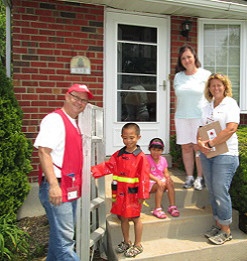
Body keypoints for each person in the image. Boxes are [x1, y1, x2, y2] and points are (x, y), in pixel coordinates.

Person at [34, 83, 94, 260]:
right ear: (67, 96)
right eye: (76, 97)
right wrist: (53, 185)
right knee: (65, 244)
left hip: (69, 188)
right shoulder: (54, 120)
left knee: (59, 239)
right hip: (58, 188)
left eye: (83, 100)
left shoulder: (73, 123)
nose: (79, 102)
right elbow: (44, 151)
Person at [91, 123, 150, 258]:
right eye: (125, 138)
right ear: (121, 137)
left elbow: (144, 177)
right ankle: (126, 241)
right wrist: (93, 171)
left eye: (131, 138)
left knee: (135, 218)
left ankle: (138, 244)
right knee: (123, 217)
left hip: (133, 194)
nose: (128, 141)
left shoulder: (141, 157)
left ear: (138, 137)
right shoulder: (118, 155)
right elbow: (108, 166)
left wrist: (143, 194)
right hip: (121, 194)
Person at [197, 73, 240, 245]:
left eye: (219, 85)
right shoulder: (207, 107)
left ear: (225, 87)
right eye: (212, 85)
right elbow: (201, 128)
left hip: (226, 154)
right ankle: (218, 224)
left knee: (220, 191)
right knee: (213, 191)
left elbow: (231, 129)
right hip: (208, 154)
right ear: (209, 88)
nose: (216, 88)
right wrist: (200, 142)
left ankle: (226, 230)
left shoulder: (231, 104)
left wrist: (212, 142)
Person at [174, 44, 211, 190]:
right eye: (183, 58)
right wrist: (176, 115)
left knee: (198, 147)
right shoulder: (178, 76)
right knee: (186, 147)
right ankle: (189, 177)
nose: (186, 60)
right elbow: (177, 98)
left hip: (199, 116)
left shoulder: (205, 74)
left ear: (194, 57)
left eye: (189, 56)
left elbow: (210, 96)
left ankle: (200, 178)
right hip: (182, 117)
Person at [147, 138, 180, 219]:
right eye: (153, 149)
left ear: (162, 151)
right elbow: (146, 173)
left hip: (160, 181)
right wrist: (157, 180)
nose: (156, 152)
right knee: (160, 185)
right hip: (149, 182)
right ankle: (157, 209)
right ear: (149, 149)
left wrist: (168, 177)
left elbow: (165, 172)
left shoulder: (163, 159)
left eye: (158, 150)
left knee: (169, 182)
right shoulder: (146, 159)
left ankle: (172, 207)